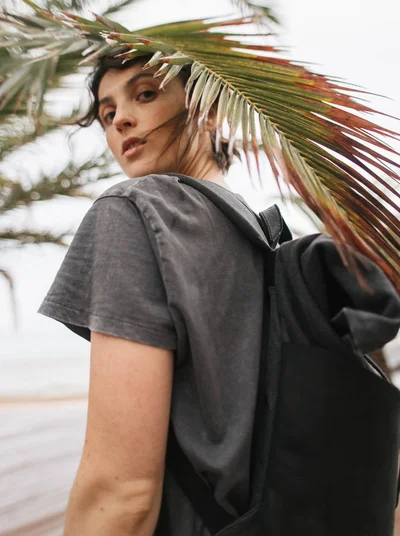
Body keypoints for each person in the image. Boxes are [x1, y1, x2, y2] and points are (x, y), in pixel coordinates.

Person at [38, 54, 266, 535]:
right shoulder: (266, 236)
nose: (120, 118)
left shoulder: (134, 212)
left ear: (207, 109)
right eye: (107, 113)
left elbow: (122, 491)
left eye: (145, 94)